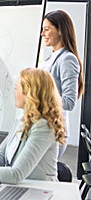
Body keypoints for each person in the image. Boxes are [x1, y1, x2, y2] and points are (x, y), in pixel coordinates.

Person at [40, 10, 85, 158]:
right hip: (43, 129)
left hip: (54, 133)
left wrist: (39, 99)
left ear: (60, 30)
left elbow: (69, 102)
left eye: (47, 29)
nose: (42, 34)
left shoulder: (67, 59)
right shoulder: (51, 58)